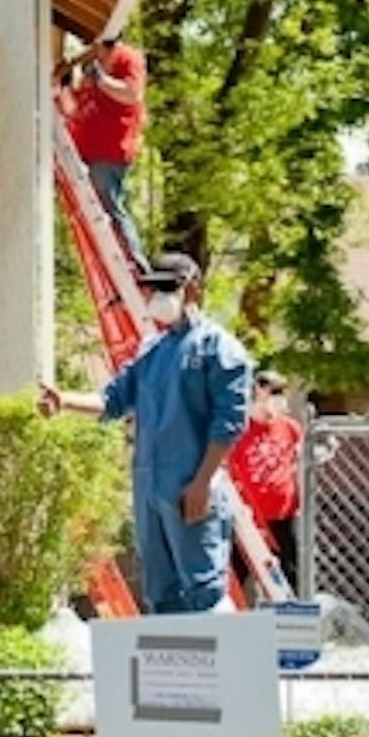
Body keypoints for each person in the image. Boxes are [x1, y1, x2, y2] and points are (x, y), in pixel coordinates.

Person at [39, 253, 252, 614]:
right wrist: (64, 401)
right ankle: (169, 671)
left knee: (204, 590)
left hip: (191, 485)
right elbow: (113, 399)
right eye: (154, 289)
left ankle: (215, 668)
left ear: (193, 290)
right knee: (160, 593)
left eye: (169, 289)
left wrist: (203, 481)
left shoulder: (220, 349)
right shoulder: (152, 351)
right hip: (151, 489)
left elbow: (229, 423)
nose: (159, 298)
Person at [58, 35, 148, 265]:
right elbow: (75, 108)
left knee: (109, 205)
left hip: (108, 151)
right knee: (96, 210)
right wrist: (63, 85)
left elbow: (132, 93)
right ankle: (111, 260)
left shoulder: (127, 58)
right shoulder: (91, 67)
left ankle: (134, 261)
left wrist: (103, 80)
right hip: (85, 151)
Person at [228, 371, 304, 593]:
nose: (279, 400)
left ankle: (290, 620)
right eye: (275, 393)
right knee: (235, 575)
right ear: (258, 393)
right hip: (246, 519)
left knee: (290, 574)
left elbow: (297, 464)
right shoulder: (239, 430)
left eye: (282, 394)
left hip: (282, 517)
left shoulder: (290, 428)